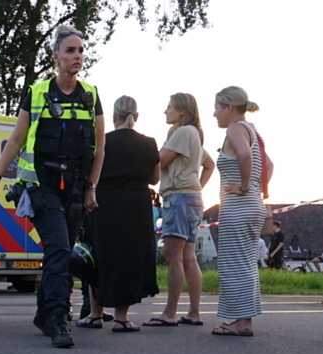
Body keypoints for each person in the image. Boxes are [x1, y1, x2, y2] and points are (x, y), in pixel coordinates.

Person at [0, 25, 105, 348]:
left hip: (76, 190)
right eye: (70, 51)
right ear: (56, 57)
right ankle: (56, 317)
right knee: (60, 248)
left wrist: (91, 187)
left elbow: (100, 148)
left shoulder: (91, 95)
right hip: (40, 188)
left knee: (61, 254)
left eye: (80, 50)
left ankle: (44, 312)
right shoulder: (37, 94)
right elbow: (16, 140)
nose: (77, 56)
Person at [78, 95, 159, 333]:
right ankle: (122, 318)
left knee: (98, 256)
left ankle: (95, 314)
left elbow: (88, 172)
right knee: (128, 259)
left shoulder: (101, 141)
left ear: (113, 117)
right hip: (136, 205)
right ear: (136, 116)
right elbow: (155, 178)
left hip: (102, 203)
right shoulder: (149, 143)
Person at [144, 93, 214, 327]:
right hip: (193, 198)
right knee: (189, 257)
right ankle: (194, 312)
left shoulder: (182, 133)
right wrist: (197, 186)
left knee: (173, 257)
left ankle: (169, 313)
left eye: (169, 107)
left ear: (181, 111)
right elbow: (209, 164)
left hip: (178, 198)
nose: (165, 111)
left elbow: (159, 161)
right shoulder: (193, 135)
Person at [212, 86, 269, 337]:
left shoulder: (235, 128)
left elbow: (245, 155)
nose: (214, 114)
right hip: (251, 205)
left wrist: (245, 186)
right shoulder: (252, 130)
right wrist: (256, 186)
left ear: (228, 108)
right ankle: (242, 318)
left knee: (235, 263)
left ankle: (242, 322)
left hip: (239, 206)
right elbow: (268, 164)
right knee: (245, 262)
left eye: (216, 108)